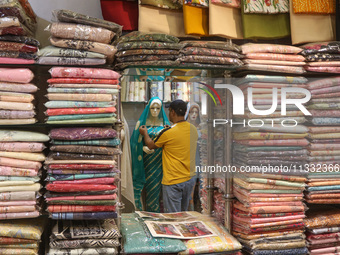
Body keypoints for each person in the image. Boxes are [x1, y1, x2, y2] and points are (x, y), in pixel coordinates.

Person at [139, 99, 198, 213]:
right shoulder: (193, 129)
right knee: (183, 213)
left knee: (173, 216)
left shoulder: (168, 133)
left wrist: (145, 133)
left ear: (172, 112)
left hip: (173, 180)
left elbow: (151, 145)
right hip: (189, 179)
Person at [131, 97, 170, 212]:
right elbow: (133, 143)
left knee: (155, 191)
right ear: (148, 108)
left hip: (159, 163)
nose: (155, 111)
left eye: (158, 108)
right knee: (142, 189)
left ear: (161, 109)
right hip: (144, 162)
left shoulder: (165, 125)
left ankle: (154, 215)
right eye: (152, 108)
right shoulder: (141, 125)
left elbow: (170, 144)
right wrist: (142, 148)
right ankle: (142, 213)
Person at [185, 102, 202, 211]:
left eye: (196, 112)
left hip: (201, 158)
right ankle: (190, 211)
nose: (194, 114)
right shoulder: (185, 127)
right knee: (190, 187)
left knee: (202, 186)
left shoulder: (202, 127)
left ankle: (202, 210)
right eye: (192, 112)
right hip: (189, 159)